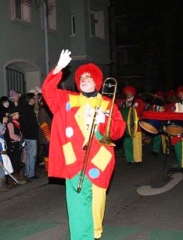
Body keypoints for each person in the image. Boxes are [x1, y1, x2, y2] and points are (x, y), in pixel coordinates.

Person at [42, 49, 125, 240]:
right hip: (74, 160)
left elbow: (119, 131)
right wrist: (59, 68)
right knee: (78, 205)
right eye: (82, 77)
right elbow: (48, 92)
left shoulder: (107, 103)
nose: (84, 79)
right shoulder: (68, 100)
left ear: (96, 81)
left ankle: (95, 234)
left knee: (97, 203)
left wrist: (105, 122)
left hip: (100, 159)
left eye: (88, 77)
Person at [121, 86, 145, 164]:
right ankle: (129, 159)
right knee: (127, 142)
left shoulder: (138, 101)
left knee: (136, 143)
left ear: (133, 93)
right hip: (126, 126)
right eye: (126, 92)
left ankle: (137, 159)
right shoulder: (123, 102)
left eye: (129, 92)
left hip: (136, 125)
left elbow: (141, 111)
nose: (127, 93)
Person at [19, 93, 40, 180]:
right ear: (30, 100)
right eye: (33, 99)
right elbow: (31, 124)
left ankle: (28, 172)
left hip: (26, 136)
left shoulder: (24, 110)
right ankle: (31, 173)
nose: (35, 101)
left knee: (28, 155)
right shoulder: (29, 111)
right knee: (32, 155)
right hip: (31, 136)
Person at [5, 106, 26, 184]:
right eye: (17, 114)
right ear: (13, 115)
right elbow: (11, 135)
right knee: (15, 161)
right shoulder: (10, 124)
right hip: (13, 145)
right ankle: (14, 178)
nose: (19, 115)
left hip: (17, 144)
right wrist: (19, 138)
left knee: (18, 160)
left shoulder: (16, 123)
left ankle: (17, 177)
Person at [0, 122, 14, 191]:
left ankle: (3, 183)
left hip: (4, 156)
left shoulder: (1, 137)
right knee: (0, 171)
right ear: (0, 130)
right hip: (0, 157)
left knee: (3, 171)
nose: (5, 130)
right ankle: (0, 185)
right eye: (4, 129)